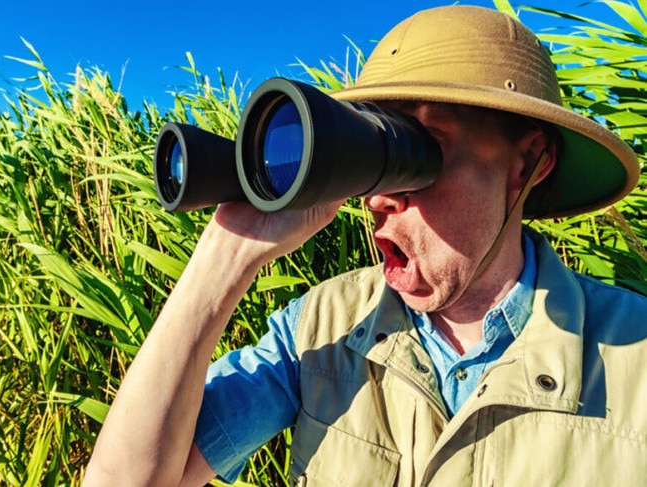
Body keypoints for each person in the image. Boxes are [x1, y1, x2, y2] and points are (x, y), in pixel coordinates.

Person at [83, 5, 647, 487]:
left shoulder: (634, 357)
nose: (378, 198)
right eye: (375, 161)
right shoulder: (319, 330)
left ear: (528, 163)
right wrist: (227, 254)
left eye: (419, 150)